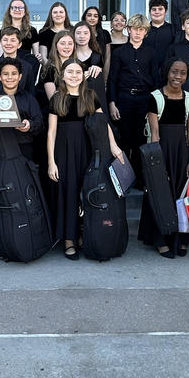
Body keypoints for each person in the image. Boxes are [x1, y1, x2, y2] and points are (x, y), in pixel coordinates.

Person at [47, 60, 124, 260]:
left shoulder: (90, 96)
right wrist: (51, 162)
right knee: (69, 193)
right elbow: (51, 132)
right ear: (62, 76)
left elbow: (103, 123)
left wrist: (114, 146)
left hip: (89, 150)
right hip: (64, 153)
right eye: (70, 72)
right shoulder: (57, 98)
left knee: (87, 191)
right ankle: (69, 240)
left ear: (83, 75)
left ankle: (86, 235)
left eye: (78, 72)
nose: (74, 75)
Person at [139, 58, 189, 259]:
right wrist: (157, 165)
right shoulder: (155, 97)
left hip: (182, 153)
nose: (177, 77)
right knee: (160, 193)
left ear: (187, 76)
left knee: (181, 196)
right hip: (161, 151)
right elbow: (155, 133)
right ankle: (160, 239)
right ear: (167, 72)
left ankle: (181, 238)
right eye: (174, 72)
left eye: (182, 73)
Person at [107, 14, 158, 185]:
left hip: (145, 99)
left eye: (141, 29)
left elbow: (155, 79)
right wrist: (112, 103)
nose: (137, 32)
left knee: (141, 140)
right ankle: (123, 178)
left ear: (146, 32)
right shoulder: (120, 52)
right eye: (134, 29)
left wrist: (154, 105)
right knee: (124, 139)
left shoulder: (151, 53)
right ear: (128, 30)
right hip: (124, 99)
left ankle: (139, 178)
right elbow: (112, 79)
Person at [0, 58, 44, 161]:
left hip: (23, 150)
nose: (10, 77)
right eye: (5, 74)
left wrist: (30, 125)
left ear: (20, 77)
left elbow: (39, 123)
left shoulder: (29, 99)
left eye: (14, 73)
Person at [0, 26, 38, 96]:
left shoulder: (27, 67)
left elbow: (31, 94)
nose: (8, 43)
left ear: (19, 44)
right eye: (5, 40)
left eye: (13, 40)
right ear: (0, 43)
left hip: (21, 105)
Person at [142, 0, 174, 66]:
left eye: (160, 9)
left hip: (167, 71)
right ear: (150, 12)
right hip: (146, 71)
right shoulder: (143, 30)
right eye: (154, 9)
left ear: (166, 11)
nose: (157, 12)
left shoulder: (173, 29)